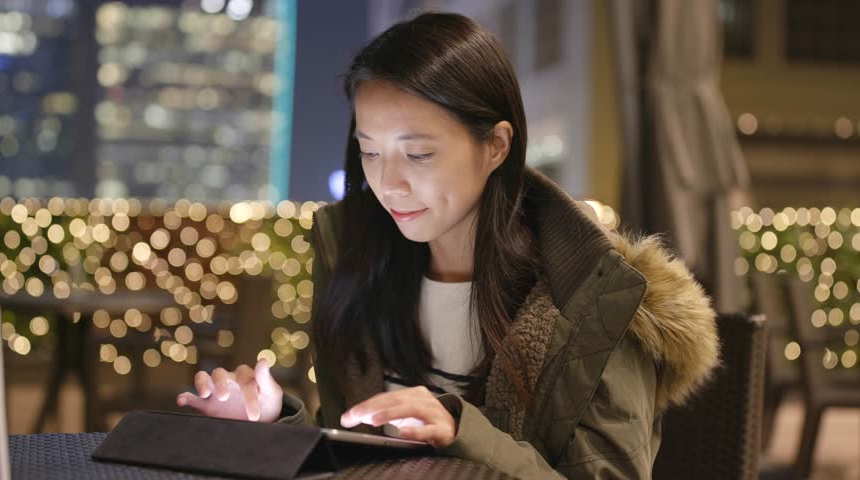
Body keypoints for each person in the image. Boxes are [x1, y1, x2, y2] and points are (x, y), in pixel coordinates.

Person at [177, 12, 718, 479]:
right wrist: (272, 421)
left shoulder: (591, 297)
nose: (388, 184)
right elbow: (352, 452)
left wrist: (460, 429)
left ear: (495, 146)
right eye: (370, 152)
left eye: (417, 155)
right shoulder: (359, 261)